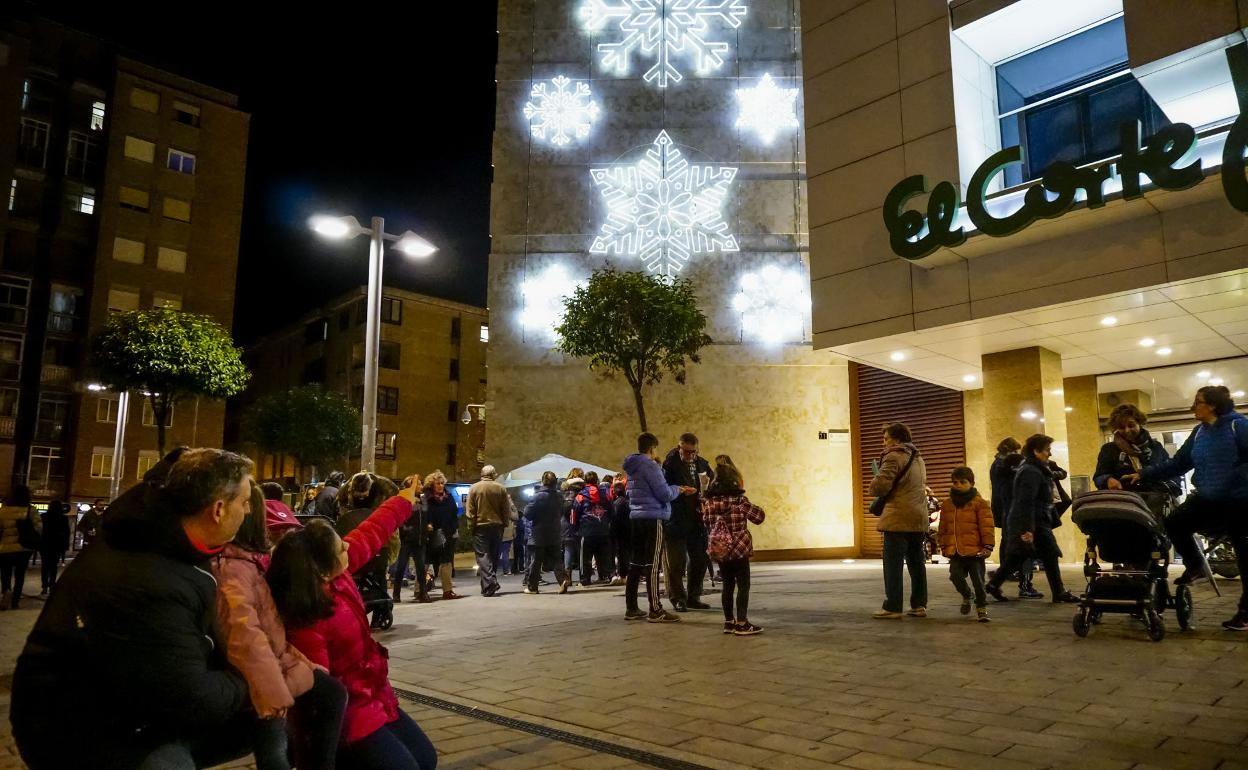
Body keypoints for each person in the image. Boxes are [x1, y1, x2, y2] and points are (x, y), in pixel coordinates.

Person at [11, 448, 258, 769]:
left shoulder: (166, 542)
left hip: (126, 704)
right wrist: (251, 681)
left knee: (272, 716)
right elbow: (189, 695)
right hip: (75, 730)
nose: (250, 510)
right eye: (245, 501)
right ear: (219, 509)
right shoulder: (149, 577)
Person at [267, 479, 438, 769]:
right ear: (322, 569)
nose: (347, 546)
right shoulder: (307, 617)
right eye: (340, 548)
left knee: (425, 758)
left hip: (373, 693)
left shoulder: (337, 573)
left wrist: (404, 500)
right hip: (348, 712)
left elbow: (372, 532)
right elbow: (317, 696)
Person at [212, 483, 347, 770]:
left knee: (329, 694)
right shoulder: (234, 570)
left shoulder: (247, 564)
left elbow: (271, 636)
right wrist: (273, 693)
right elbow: (246, 638)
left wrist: (305, 666)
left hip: (276, 666)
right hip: (261, 679)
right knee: (274, 747)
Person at [1126, 385, 1248, 631]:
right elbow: (1179, 463)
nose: (1194, 407)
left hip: (1239, 501)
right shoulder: (1199, 433)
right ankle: (1196, 566)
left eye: (1198, 402)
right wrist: (1143, 473)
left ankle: (1245, 614)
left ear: (1212, 405)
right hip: (1207, 497)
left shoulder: (1239, 426)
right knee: (1174, 523)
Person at [986, 434, 1081, 605]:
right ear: (1036, 451)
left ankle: (994, 584)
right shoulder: (1031, 471)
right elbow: (1025, 501)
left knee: (1020, 556)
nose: (1049, 454)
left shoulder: (1035, 468)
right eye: (1047, 450)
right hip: (1034, 521)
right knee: (1048, 554)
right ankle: (1058, 592)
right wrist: (1027, 529)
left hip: (1036, 520)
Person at [623, 432, 695, 623]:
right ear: (652, 448)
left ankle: (631, 608)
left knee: (636, 563)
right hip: (653, 517)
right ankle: (656, 609)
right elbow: (663, 494)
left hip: (636, 517)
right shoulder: (650, 466)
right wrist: (678, 489)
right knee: (653, 564)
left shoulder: (632, 467)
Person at [868, 422, 929, 619]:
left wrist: (875, 480)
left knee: (893, 564)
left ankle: (893, 606)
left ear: (897, 439)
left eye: (886, 438)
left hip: (898, 517)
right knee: (916, 562)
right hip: (917, 517)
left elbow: (880, 487)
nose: (884, 442)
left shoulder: (894, 456)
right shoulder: (918, 458)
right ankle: (919, 605)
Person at [701, 461, 765, 635]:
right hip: (740, 550)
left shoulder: (709, 504)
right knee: (743, 585)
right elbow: (759, 517)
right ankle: (742, 623)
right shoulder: (740, 501)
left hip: (721, 549)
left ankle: (729, 622)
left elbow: (705, 523)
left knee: (728, 585)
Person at [663, 433, 714, 611]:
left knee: (700, 560)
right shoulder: (669, 465)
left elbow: (711, 484)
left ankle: (694, 596)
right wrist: (680, 490)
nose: (690, 455)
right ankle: (678, 598)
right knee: (677, 564)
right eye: (686, 451)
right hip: (676, 520)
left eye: (693, 452)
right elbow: (663, 490)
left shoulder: (702, 464)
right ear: (679, 447)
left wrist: (706, 495)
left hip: (697, 520)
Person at [937, 467, 995, 622]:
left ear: (972, 483)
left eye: (963, 482)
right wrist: (943, 545)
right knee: (955, 576)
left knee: (978, 581)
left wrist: (988, 546)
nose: (958, 485)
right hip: (955, 550)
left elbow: (987, 526)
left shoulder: (980, 503)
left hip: (975, 550)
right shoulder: (947, 504)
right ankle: (967, 595)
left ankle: (981, 607)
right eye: (955, 482)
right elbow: (943, 527)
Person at [1093, 403, 1176, 494]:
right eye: (1121, 427)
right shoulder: (1109, 449)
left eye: (1131, 425)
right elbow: (1099, 477)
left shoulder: (1156, 447)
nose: (1127, 430)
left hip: (1156, 501)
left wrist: (1172, 489)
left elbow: (1171, 470)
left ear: (1140, 423)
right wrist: (1108, 480)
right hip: (1124, 502)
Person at [523, 471, 572, 594]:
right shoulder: (560, 497)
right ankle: (563, 580)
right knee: (557, 560)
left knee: (536, 561)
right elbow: (561, 512)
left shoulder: (537, 496)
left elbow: (527, 514)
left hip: (538, 534)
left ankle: (533, 587)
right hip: (555, 532)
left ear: (543, 481)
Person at [466, 465, 511, 597]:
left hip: (480, 526)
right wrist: (504, 523)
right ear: (493, 475)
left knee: (483, 555)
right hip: (497, 526)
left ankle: (490, 582)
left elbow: (470, 510)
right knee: (494, 555)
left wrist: (471, 526)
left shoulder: (474, 488)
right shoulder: (501, 488)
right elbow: (506, 509)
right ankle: (488, 586)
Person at [391, 474, 431, 603]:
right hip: (407, 539)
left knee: (420, 568)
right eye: (418, 483)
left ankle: (423, 593)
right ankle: (396, 594)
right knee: (401, 567)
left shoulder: (423, 499)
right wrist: (406, 530)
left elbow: (425, 515)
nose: (421, 485)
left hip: (420, 539)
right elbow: (400, 519)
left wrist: (427, 526)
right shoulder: (404, 499)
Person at [423, 471, 462, 600]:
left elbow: (453, 514)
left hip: (447, 534)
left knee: (446, 562)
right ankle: (420, 591)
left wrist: (453, 529)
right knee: (425, 562)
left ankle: (447, 591)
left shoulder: (449, 496)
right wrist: (428, 526)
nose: (440, 486)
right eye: (437, 483)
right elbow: (424, 515)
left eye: (441, 483)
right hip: (431, 534)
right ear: (432, 485)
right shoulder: (426, 498)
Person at [0, 485, 38, 609]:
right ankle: (15, 601)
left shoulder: (4, 510)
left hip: (5, 548)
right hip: (23, 548)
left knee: (5, 573)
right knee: (20, 575)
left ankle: (6, 591)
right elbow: (38, 528)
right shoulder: (30, 510)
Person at [574, 470, 612, 585]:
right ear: (597, 480)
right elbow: (611, 510)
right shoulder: (605, 494)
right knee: (603, 554)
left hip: (586, 531)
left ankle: (585, 579)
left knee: (585, 557)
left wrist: (576, 528)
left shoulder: (580, 495)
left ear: (585, 481)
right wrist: (606, 522)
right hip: (603, 530)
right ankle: (604, 576)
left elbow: (575, 513)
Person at [38, 499, 69, 595]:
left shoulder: (44, 516)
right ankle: (52, 585)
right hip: (57, 545)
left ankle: (44, 586)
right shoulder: (63, 518)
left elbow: (40, 530)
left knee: (45, 566)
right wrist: (65, 546)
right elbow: (67, 533)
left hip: (45, 544)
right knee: (53, 566)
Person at [560, 471, 585, 583]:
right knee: (581, 551)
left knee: (568, 550)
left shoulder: (563, 490)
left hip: (565, 524)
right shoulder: (583, 490)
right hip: (579, 523)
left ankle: (567, 577)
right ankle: (583, 577)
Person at [609, 474, 630, 585]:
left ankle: (616, 575)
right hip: (627, 531)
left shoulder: (616, 503)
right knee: (624, 554)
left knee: (616, 554)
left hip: (617, 532)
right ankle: (624, 574)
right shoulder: (627, 502)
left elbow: (614, 518)